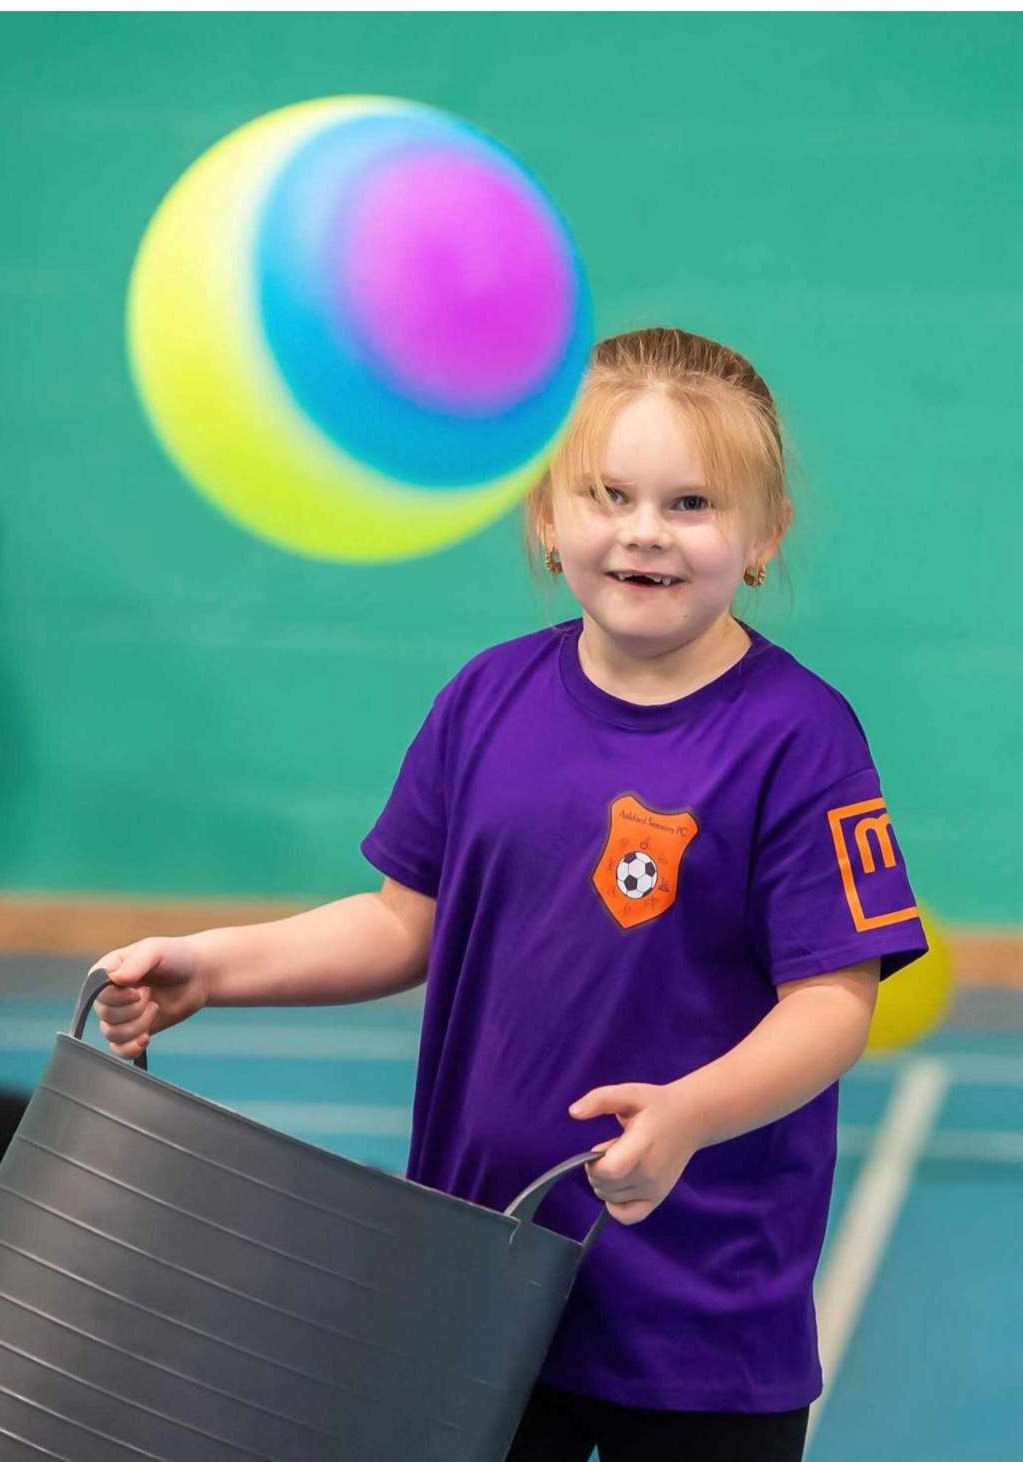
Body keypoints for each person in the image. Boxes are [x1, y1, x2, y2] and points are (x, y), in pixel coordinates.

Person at [93, 327, 928, 1462]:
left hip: (699, 1329)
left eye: (692, 503)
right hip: (473, 1293)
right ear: (546, 517)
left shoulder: (799, 739)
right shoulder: (487, 698)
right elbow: (401, 921)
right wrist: (214, 963)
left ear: (765, 536)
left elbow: (835, 1002)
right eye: (608, 493)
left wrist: (689, 1115)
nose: (644, 530)